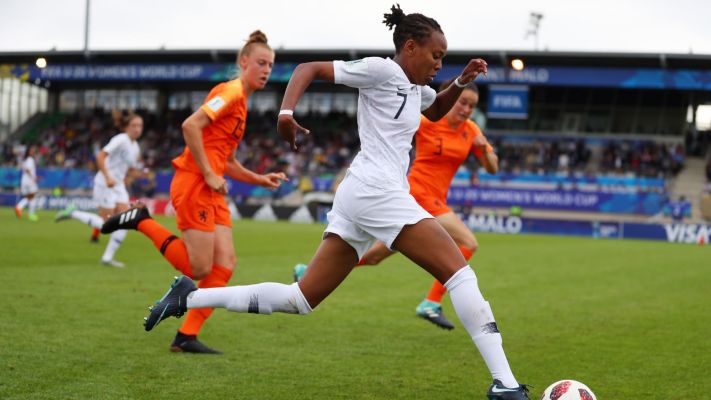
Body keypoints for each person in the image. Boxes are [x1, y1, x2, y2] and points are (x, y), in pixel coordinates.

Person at [126, 7, 528, 398]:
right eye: (435, 55)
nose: (439, 63)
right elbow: (309, 69)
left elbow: (436, 109)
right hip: (378, 191)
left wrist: (460, 81)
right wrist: (286, 113)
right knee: (460, 274)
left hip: (363, 193)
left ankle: (188, 297)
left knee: (300, 299)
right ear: (409, 47)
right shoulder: (381, 70)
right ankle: (505, 383)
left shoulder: (413, 87)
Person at [102, 31, 287, 354]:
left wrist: (260, 179)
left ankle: (186, 335)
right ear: (244, 62)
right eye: (261, 62)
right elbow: (190, 125)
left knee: (225, 263)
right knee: (199, 268)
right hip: (194, 182)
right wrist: (207, 173)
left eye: (270, 64)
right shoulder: (230, 91)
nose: (266, 69)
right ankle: (142, 220)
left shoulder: (241, 104)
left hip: (211, 187)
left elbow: (226, 161)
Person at [295, 79, 498, 331]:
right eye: (462, 102)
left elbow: (492, 167)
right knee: (468, 242)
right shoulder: (428, 121)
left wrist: (485, 151)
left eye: (472, 105)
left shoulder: (472, 130)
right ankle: (430, 303)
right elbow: (392, 134)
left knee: (374, 257)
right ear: (451, 98)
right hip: (417, 193)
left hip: (436, 199)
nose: (466, 109)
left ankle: (308, 270)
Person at [54, 113, 144, 267]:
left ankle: (107, 258)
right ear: (127, 127)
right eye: (134, 126)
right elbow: (100, 156)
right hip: (104, 182)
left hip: (118, 185)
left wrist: (139, 174)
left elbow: (128, 170)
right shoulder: (120, 139)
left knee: (126, 221)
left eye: (140, 126)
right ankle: (72, 213)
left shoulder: (136, 147)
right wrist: (108, 177)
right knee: (107, 225)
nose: (137, 129)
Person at [15, 144, 40, 221]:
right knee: (33, 195)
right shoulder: (30, 159)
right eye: (31, 150)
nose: (33, 152)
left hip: (24, 181)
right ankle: (20, 207)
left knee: (31, 197)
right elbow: (27, 170)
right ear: (28, 152)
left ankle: (30, 214)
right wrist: (34, 177)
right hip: (29, 180)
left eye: (33, 150)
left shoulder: (25, 160)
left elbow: (24, 168)